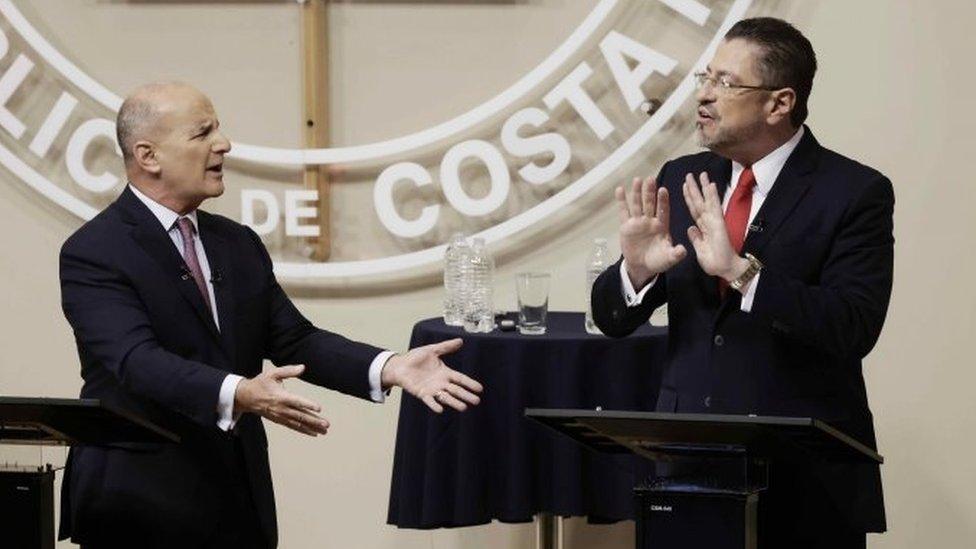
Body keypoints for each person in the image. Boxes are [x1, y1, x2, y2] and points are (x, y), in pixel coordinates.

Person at [57, 81, 483, 549]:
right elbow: (137, 361)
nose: (223, 143)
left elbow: (295, 340)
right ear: (148, 155)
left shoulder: (236, 243)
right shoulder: (94, 252)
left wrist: (389, 366)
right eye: (203, 133)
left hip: (235, 502)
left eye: (218, 128)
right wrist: (239, 392)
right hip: (136, 505)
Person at [591, 17, 893, 549]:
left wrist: (741, 272)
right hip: (689, 467)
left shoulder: (854, 191)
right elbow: (614, 321)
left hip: (806, 479)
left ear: (780, 103)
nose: (704, 96)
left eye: (726, 83)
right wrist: (637, 270)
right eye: (704, 79)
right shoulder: (683, 176)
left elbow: (853, 326)